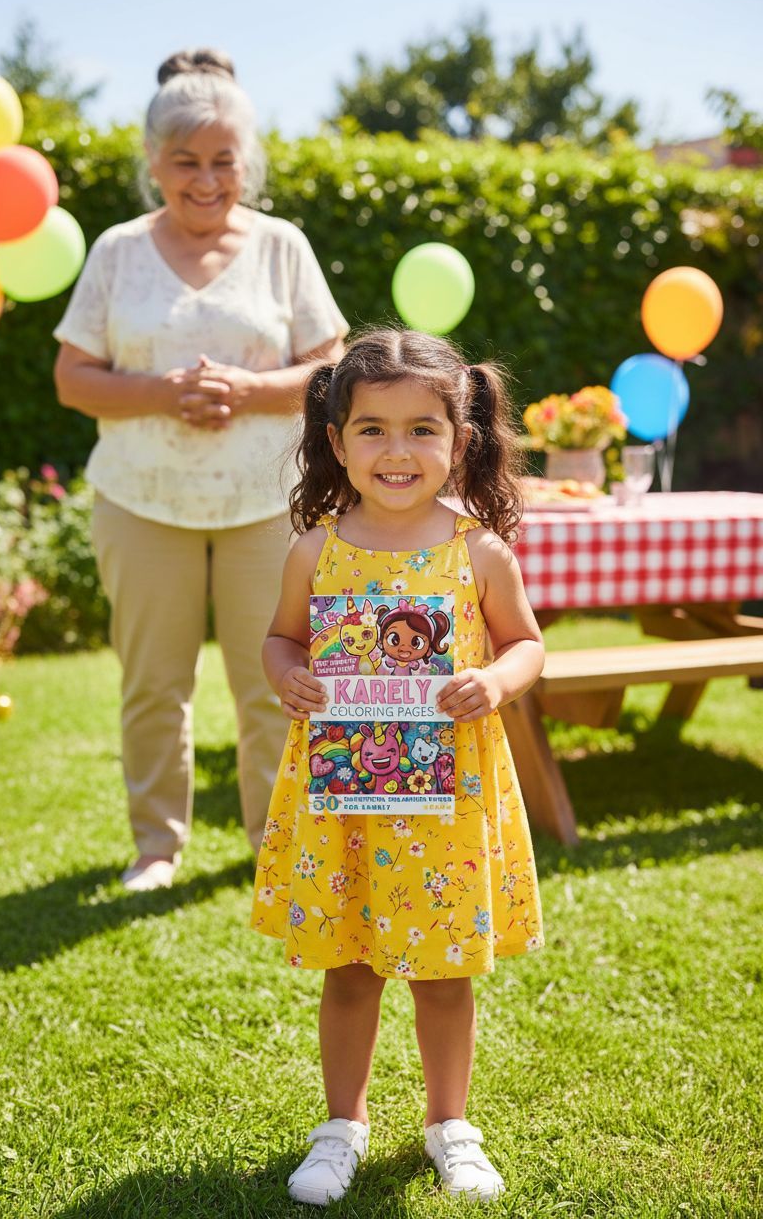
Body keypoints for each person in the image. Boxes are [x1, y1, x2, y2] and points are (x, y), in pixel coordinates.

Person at [251, 328, 545, 1205]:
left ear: (462, 441)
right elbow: (280, 639)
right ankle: (342, 1126)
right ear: (336, 442)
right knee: (349, 968)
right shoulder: (317, 549)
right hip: (345, 803)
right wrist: (290, 679)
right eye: (372, 429)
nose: (397, 450)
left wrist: (493, 680)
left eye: (423, 428)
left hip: (446, 804)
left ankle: (449, 1124)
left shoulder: (478, 551)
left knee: (444, 971)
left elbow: (528, 644)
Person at [54, 49, 347, 891]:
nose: (207, 179)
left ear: (245, 162)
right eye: (186, 161)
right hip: (141, 503)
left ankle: (276, 841)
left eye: (224, 160)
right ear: (154, 162)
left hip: (265, 504)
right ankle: (158, 847)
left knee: (275, 682)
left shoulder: (282, 246)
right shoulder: (116, 252)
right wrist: (159, 392)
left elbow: (330, 369)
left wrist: (252, 390)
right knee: (154, 688)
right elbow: (73, 379)